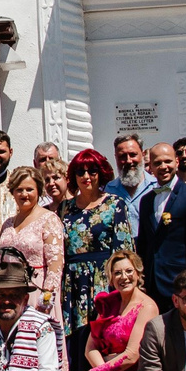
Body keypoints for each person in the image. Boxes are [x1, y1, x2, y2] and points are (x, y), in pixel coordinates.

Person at [60, 250, 154, 371]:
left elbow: (131, 355)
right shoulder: (109, 303)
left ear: (138, 273)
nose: (124, 277)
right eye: (117, 273)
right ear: (111, 278)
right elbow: (90, 349)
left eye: (128, 271)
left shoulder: (147, 306)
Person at [60, 148, 135, 346]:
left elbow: (124, 250)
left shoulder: (114, 204)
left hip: (102, 278)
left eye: (92, 171)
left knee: (102, 335)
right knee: (76, 340)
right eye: (80, 172)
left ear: (100, 174)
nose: (86, 176)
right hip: (72, 281)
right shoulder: (64, 208)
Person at [137, 142, 186, 306]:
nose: (163, 167)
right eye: (157, 163)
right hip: (152, 285)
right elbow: (144, 243)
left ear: (177, 162)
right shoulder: (146, 201)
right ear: (150, 167)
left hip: (181, 284)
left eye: (167, 161)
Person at [0, 164, 65, 320]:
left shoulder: (49, 219)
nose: (24, 194)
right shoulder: (7, 223)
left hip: (36, 290)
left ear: (39, 191)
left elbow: (55, 265)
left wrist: (46, 297)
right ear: (12, 192)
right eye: (19, 190)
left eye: (29, 189)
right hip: (9, 291)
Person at [112, 133, 156, 211]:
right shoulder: (109, 190)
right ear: (116, 158)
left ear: (143, 155)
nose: (128, 161)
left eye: (133, 155)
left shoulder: (156, 187)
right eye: (122, 156)